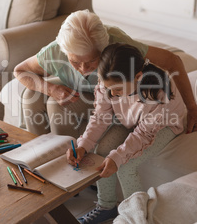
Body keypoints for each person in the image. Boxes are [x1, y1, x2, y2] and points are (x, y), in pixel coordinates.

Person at [14, 10, 197, 138]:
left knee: (55, 105)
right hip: (83, 91)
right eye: (75, 62)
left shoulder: (118, 44)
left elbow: (173, 61)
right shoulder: (54, 51)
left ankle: (71, 165)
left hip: (113, 101)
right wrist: (51, 88)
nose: (83, 68)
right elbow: (20, 70)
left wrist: (193, 110)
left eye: (91, 62)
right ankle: (37, 156)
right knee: (31, 94)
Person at [66, 43, 186, 223]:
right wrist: (83, 145)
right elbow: (100, 117)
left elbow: (144, 134)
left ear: (138, 77)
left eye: (118, 90)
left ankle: (136, 217)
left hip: (164, 125)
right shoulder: (108, 83)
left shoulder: (159, 94)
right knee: (101, 153)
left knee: (126, 166)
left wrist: (118, 157)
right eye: (109, 89)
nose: (113, 94)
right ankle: (106, 206)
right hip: (131, 120)